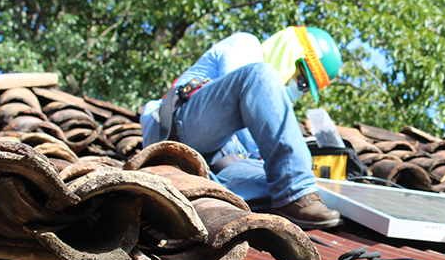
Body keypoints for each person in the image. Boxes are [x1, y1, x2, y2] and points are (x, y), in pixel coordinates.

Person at [139, 27, 343, 229]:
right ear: (291, 56)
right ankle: (297, 194)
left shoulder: (267, 97)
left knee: (281, 183)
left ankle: (211, 192)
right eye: (303, 82)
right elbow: (246, 123)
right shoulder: (246, 45)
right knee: (260, 75)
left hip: (218, 158)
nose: (300, 91)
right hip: (178, 132)